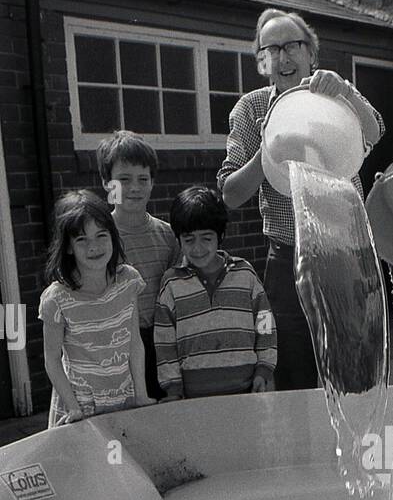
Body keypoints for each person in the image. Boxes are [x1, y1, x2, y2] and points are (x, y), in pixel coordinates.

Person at [217, 8, 384, 390]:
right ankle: (307, 451)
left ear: (312, 53)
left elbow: (374, 132)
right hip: (286, 261)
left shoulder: (336, 93)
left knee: (354, 368)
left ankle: (357, 448)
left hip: (347, 254)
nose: (282, 57)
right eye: (270, 49)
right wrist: (268, 149)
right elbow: (230, 194)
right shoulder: (252, 108)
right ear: (262, 62)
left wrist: (344, 92)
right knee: (293, 372)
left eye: (292, 45)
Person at [39, 190, 152, 427]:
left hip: (123, 398)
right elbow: (52, 359)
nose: (94, 246)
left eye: (101, 235)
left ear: (112, 235)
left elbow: (134, 342)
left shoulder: (128, 282)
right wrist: (73, 407)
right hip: (79, 406)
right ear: (68, 247)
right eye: (82, 239)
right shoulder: (57, 299)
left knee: (121, 460)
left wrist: (140, 395)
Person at [154, 187, 276, 400]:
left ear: (220, 236)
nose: (198, 248)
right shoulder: (171, 283)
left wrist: (264, 369)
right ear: (179, 240)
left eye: (206, 238)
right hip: (194, 400)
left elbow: (265, 325)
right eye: (189, 239)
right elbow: (164, 342)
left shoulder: (245, 274)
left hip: (246, 394)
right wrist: (173, 387)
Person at [96, 130, 179, 399]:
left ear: (153, 183)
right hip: (113, 343)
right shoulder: (96, 239)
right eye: (123, 179)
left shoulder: (167, 235)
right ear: (107, 183)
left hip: (159, 342)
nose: (134, 187)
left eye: (143, 179)